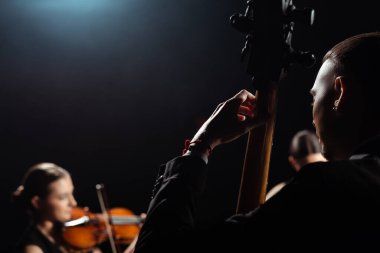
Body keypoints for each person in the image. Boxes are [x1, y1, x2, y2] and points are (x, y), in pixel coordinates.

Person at [134, 32, 380, 253]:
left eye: (314, 97)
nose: (312, 115)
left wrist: (201, 143)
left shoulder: (327, 190)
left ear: (340, 93)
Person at [12, 162, 140, 253]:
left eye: (71, 193)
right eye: (62, 197)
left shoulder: (75, 235)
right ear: (37, 202)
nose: (73, 203)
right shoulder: (33, 249)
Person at [265, 129, 326, 200]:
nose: (314, 173)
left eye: (320, 165)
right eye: (307, 169)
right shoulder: (278, 194)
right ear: (293, 162)